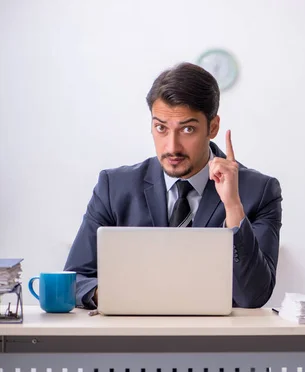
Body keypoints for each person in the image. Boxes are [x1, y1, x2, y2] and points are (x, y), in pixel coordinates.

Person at [64, 62, 283, 309]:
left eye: (187, 129)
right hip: (133, 336)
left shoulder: (260, 191)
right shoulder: (114, 187)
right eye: (161, 128)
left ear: (212, 127)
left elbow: (253, 296)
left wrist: (233, 207)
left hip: (218, 341)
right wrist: (110, 295)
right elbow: (75, 279)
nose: (172, 147)